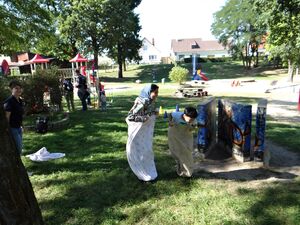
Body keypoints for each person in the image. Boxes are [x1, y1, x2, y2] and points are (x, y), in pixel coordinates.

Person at [126, 84, 159, 182]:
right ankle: (141, 171)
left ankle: (146, 168)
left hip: (143, 130)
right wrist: (147, 118)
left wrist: (153, 113)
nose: (157, 95)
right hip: (137, 130)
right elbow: (132, 116)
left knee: (146, 149)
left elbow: (146, 113)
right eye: (155, 92)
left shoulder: (149, 101)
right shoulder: (142, 101)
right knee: (139, 150)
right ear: (149, 92)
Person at [168, 106, 198, 178]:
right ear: (185, 115)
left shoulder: (194, 121)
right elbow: (170, 115)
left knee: (186, 152)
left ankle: (188, 172)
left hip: (185, 135)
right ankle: (180, 168)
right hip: (175, 134)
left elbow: (192, 128)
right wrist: (170, 122)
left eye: (193, 119)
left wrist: (192, 127)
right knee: (176, 151)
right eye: (190, 119)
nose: (192, 120)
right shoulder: (176, 115)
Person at [4, 80, 24, 155]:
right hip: (13, 128)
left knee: (19, 147)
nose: (19, 90)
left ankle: (18, 164)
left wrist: (22, 125)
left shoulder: (20, 100)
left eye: (20, 88)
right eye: (16, 88)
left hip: (19, 127)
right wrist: (7, 129)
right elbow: (7, 117)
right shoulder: (9, 102)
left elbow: (20, 114)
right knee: (18, 148)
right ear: (11, 90)